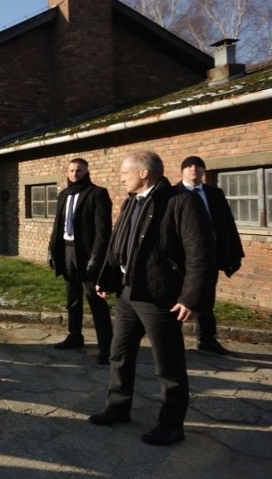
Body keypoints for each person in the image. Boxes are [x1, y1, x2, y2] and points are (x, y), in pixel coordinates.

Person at [90, 151, 215, 447]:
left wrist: (191, 298)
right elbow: (118, 244)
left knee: (168, 365)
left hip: (161, 298)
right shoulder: (131, 201)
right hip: (128, 294)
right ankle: (118, 407)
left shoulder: (180, 201)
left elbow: (201, 253)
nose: (121, 177)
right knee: (119, 354)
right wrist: (107, 279)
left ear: (144, 172)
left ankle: (172, 425)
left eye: (125, 172)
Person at [177, 156, 244, 356]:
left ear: (204, 171)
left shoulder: (214, 193)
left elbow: (227, 223)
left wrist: (234, 252)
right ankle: (172, 340)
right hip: (182, 254)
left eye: (198, 166)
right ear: (182, 171)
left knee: (206, 296)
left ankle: (207, 339)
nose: (193, 169)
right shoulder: (173, 193)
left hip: (210, 252)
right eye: (189, 166)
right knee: (179, 295)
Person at [48, 158, 113, 364]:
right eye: (72, 170)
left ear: (86, 171)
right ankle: (74, 336)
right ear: (67, 172)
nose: (75, 173)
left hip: (86, 255)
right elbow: (58, 226)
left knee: (96, 301)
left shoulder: (97, 194)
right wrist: (51, 250)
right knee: (72, 299)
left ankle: (107, 348)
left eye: (79, 170)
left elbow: (103, 231)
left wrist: (96, 258)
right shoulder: (63, 195)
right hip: (67, 252)